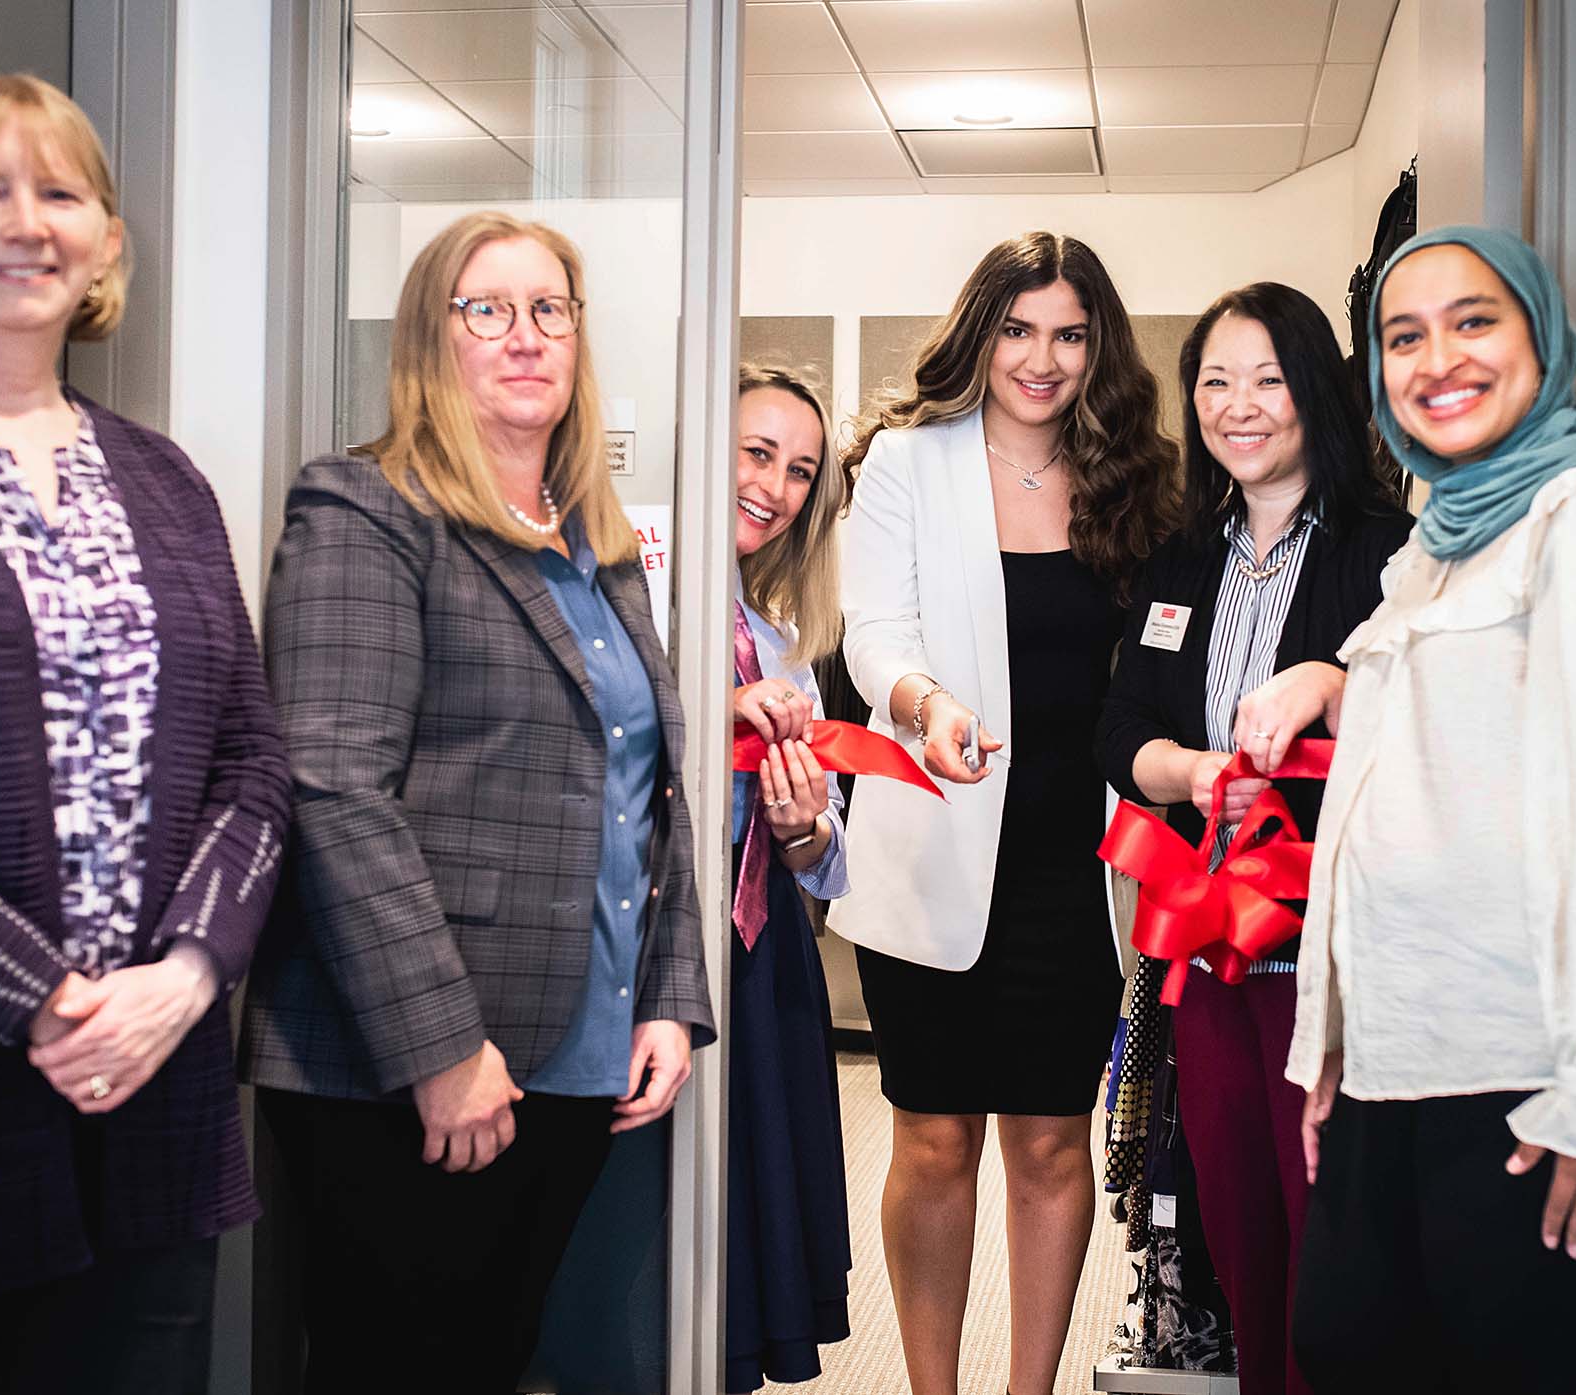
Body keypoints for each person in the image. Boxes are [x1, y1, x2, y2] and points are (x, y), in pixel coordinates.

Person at [0, 73, 290, 1393]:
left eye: (62, 192)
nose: (25, 222)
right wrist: (40, 996)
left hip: (158, 1114)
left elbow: (253, 764)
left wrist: (187, 977)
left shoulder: (162, 477)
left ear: (106, 245)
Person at [237, 210, 715, 1394]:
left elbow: (649, 784)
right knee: (396, 1367)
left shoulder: (593, 541)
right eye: (486, 309)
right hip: (406, 1062)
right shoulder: (364, 508)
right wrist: (442, 1052)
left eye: (549, 308)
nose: (524, 336)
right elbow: (334, 789)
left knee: (494, 1356)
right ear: (428, 339)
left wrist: (667, 996)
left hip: (576, 1047)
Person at [1277, 226, 1576, 1393]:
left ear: (1539, 335)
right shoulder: (1432, 552)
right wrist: (1332, 1043)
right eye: (1401, 334)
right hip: (1404, 1063)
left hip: (1541, 1074)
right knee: (1336, 1354)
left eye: (1472, 320)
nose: (1436, 358)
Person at [831, 230, 1175, 1395]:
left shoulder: (1135, 477)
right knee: (931, 1138)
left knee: (1048, 1139)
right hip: (933, 836)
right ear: (979, 331)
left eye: (1069, 334)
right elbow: (875, 632)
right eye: (1018, 329)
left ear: (1098, 347)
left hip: (1074, 868)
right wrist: (925, 702)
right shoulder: (903, 463)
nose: (1042, 358)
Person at [1096, 283, 1412, 1395]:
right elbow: (1120, 731)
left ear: (1315, 392)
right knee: (1236, 1233)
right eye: (1214, 381)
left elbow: (1419, 729)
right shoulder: (1181, 558)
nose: (1236, 407)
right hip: (1204, 956)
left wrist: (1329, 680)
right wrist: (1188, 774)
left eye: (1266, 379)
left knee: (1328, 1243)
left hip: (1327, 961)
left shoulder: (1390, 554)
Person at [724, 364, 855, 1392]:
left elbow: (829, 864)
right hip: (672, 954)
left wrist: (806, 831)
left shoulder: (779, 647)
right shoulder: (635, 600)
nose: (774, 486)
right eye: (756, 452)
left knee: (750, 1232)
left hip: (764, 967)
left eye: (799, 471)